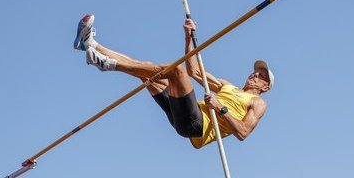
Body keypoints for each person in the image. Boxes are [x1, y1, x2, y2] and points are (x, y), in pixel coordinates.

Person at [73, 14, 275, 149]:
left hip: (198, 125)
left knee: (174, 71)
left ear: (265, 87)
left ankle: (109, 64)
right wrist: (188, 38)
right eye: (256, 72)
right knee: (148, 72)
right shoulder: (226, 85)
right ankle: (91, 45)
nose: (255, 75)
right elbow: (194, 70)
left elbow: (244, 132)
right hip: (187, 115)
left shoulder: (258, 103)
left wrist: (221, 107)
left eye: (261, 76)